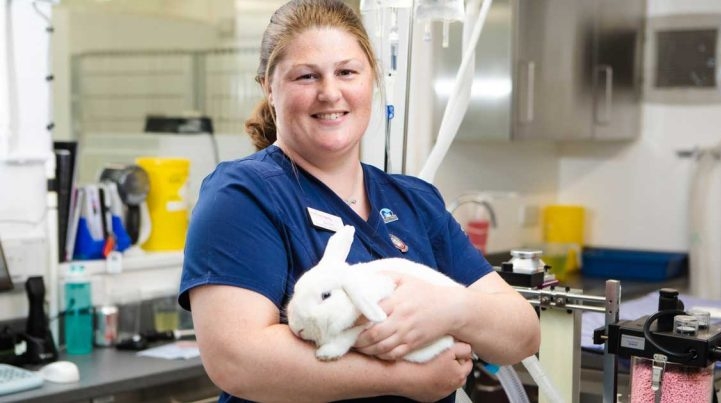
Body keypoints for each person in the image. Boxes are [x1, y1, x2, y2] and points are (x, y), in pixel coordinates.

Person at [179, 0, 540, 402]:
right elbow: (237, 359)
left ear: (373, 80)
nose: (329, 93)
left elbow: (522, 334)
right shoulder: (244, 196)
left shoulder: (414, 201)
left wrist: (453, 308)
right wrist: (402, 376)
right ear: (269, 86)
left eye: (347, 72)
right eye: (306, 76)